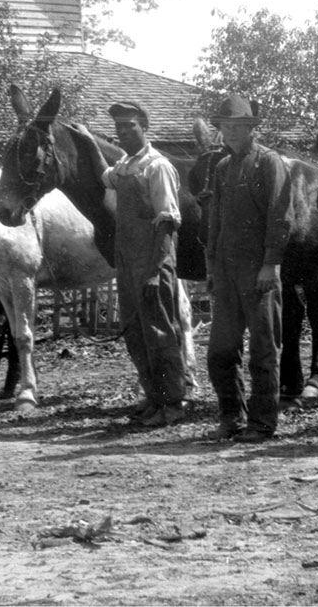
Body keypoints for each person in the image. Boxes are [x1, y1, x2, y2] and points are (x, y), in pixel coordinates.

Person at [204, 94, 293, 442]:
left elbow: (280, 216)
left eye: (238, 127)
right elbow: (216, 221)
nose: (231, 133)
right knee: (221, 352)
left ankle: (262, 423)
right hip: (226, 272)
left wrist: (271, 263)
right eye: (226, 127)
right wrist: (211, 267)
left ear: (251, 129)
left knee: (263, 350)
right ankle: (231, 417)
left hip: (259, 271)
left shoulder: (269, 163)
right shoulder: (223, 167)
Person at [101, 100, 189, 426]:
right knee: (136, 333)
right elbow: (105, 176)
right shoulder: (123, 165)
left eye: (130, 126)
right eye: (119, 127)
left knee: (160, 332)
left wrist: (155, 270)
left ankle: (174, 403)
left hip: (153, 261)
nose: (124, 132)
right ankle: (154, 398)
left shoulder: (157, 166)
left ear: (144, 127)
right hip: (127, 262)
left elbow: (168, 221)